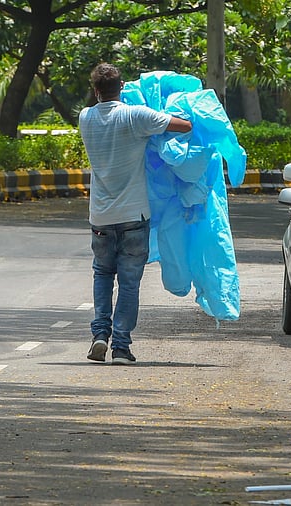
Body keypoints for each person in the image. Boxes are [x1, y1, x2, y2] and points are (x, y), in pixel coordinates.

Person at [78, 63, 192, 365]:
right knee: (129, 283)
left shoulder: (85, 118)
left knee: (102, 274)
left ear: (95, 91)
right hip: (133, 216)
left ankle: (100, 334)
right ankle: (121, 348)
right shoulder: (135, 116)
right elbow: (184, 126)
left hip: (100, 216)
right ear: (122, 87)